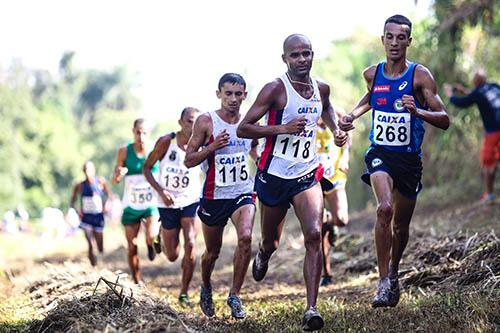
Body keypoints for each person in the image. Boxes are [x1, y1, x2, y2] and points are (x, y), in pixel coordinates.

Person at [237, 34, 347, 331]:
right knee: (271, 240)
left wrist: (337, 130)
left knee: (314, 234)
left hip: (306, 174)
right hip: (273, 176)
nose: (302, 60)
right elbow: (244, 128)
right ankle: (264, 252)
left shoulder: (320, 88)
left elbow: (326, 109)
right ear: (284, 59)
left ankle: (311, 309)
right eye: (295, 55)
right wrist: (282, 128)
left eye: (306, 54)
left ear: (313, 55)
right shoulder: (275, 89)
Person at [339, 15, 450, 308]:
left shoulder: (420, 76)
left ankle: (395, 270)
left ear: (409, 41)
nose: (395, 43)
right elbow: (371, 97)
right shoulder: (372, 73)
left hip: (409, 161)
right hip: (381, 155)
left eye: (401, 37)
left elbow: (445, 119)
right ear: (383, 39)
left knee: (401, 227)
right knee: (384, 209)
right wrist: (352, 114)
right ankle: (383, 280)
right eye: (390, 37)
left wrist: (419, 113)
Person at [185, 73, 258, 319]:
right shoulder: (206, 121)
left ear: (245, 95)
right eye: (228, 93)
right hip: (214, 195)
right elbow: (188, 160)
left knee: (246, 238)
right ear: (219, 94)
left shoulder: (250, 121)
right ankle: (205, 286)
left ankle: (235, 295)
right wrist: (212, 147)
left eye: (239, 94)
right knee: (212, 253)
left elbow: (256, 148)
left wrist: (260, 161)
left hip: (242, 192)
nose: (234, 99)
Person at [143, 107, 202, 306]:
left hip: (190, 200)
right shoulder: (166, 142)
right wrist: (161, 192)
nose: (192, 126)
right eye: (188, 121)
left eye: (196, 121)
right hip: (167, 203)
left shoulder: (202, 142)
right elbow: (147, 168)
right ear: (180, 122)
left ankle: (184, 293)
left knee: (191, 243)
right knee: (172, 255)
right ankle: (160, 234)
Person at [112, 118, 160, 284]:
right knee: (131, 245)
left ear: (149, 134)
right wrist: (118, 174)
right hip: (131, 203)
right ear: (133, 131)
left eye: (144, 133)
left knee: (150, 236)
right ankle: (137, 279)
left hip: (150, 203)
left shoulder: (155, 149)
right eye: (138, 132)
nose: (141, 136)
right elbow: (115, 179)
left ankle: (151, 244)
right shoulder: (124, 151)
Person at [444, 70, 500, 203]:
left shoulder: (477, 93)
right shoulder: (494, 86)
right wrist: (465, 91)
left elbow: (460, 103)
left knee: (487, 164)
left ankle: (489, 195)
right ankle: (490, 194)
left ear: (475, 82)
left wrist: (450, 95)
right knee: (493, 162)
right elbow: (481, 95)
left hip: (494, 132)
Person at [316, 109, 351, 287]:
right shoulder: (306, 115)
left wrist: (345, 156)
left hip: (335, 176)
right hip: (314, 180)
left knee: (342, 220)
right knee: (318, 228)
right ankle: (326, 273)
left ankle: (331, 221)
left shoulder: (335, 113)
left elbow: (347, 136)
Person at [70, 161, 113, 266]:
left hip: (98, 217)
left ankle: (101, 261)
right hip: (86, 218)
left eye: (89, 169)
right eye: (85, 170)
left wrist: (107, 205)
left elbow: (110, 196)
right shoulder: (79, 185)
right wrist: (76, 211)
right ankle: (93, 266)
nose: (87, 172)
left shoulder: (101, 182)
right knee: (90, 244)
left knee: (100, 246)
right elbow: (72, 201)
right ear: (83, 171)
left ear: (94, 170)